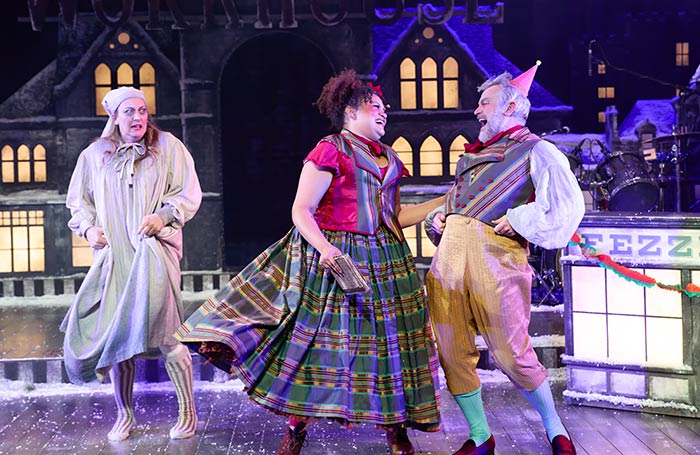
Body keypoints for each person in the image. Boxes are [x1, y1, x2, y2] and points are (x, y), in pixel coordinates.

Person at [175, 69, 444, 455]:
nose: (385, 113)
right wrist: (326, 249)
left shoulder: (391, 159)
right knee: (320, 345)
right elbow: (302, 210)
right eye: (376, 107)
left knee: (390, 346)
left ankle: (396, 429)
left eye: (386, 108)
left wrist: (448, 199)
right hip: (336, 255)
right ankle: (297, 425)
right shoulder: (331, 148)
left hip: (386, 258)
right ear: (351, 112)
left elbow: (395, 216)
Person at [423, 63, 584, 455]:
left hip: (495, 258)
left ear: (510, 108)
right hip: (449, 259)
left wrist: (520, 219)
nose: (477, 110)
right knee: (450, 347)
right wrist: (438, 219)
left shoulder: (537, 150)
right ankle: (481, 437)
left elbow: (566, 207)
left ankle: (555, 429)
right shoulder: (470, 159)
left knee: (512, 352)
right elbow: (456, 204)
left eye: (484, 103)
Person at [61, 87, 203, 441]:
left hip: (153, 251)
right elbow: (79, 203)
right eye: (130, 112)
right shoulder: (95, 155)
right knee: (117, 338)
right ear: (115, 118)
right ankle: (125, 414)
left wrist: (164, 215)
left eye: (142, 111)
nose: (138, 118)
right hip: (114, 256)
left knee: (168, 335)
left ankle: (188, 411)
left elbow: (187, 192)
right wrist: (89, 228)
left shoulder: (168, 147)